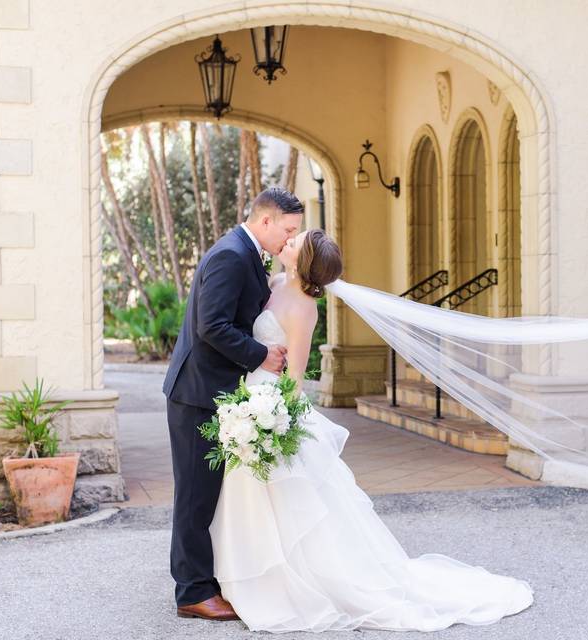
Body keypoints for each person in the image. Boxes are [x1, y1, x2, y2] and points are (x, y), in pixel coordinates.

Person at [208, 228, 534, 632]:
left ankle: (285, 584)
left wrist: (271, 420)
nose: (288, 240)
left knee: (289, 502)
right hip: (251, 397)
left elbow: (294, 377)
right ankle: (247, 578)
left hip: (270, 406)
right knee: (251, 496)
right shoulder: (272, 282)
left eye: (297, 242)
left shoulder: (304, 308)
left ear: (303, 261)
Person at [162, 187, 303, 621]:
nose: (290, 238)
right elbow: (212, 326)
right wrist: (261, 355)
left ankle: (207, 579)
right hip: (197, 392)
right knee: (195, 496)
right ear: (266, 221)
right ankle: (192, 591)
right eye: (288, 229)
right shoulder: (231, 255)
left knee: (208, 493)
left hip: (214, 392)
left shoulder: (245, 252)